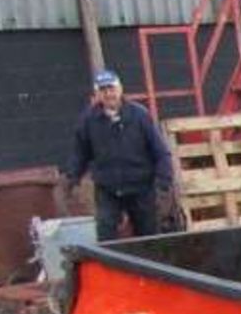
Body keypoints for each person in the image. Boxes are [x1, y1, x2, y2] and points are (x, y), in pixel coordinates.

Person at [65, 70, 172, 241]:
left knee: (149, 239)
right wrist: (72, 178)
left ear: (120, 89)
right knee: (106, 236)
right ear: (97, 94)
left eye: (112, 89)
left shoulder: (139, 116)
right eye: (103, 90)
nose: (109, 94)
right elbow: (80, 152)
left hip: (141, 188)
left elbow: (160, 152)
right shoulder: (88, 120)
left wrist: (164, 184)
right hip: (108, 190)